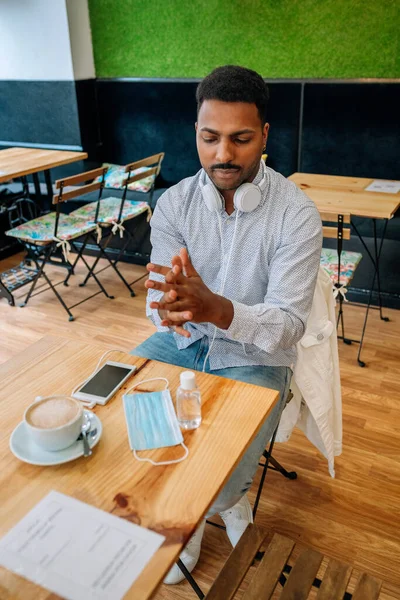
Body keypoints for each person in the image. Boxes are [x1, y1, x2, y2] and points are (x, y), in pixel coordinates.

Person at [133, 65, 322, 584]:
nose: (222, 154)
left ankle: (218, 508)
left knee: (220, 472)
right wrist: (167, 310)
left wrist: (218, 308)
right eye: (209, 137)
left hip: (258, 356)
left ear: (264, 136)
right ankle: (204, 504)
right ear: (196, 133)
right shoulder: (173, 203)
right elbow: (159, 299)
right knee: (128, 420)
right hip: (186, 343)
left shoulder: (297, 215)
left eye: (239, 139)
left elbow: (287, 326)